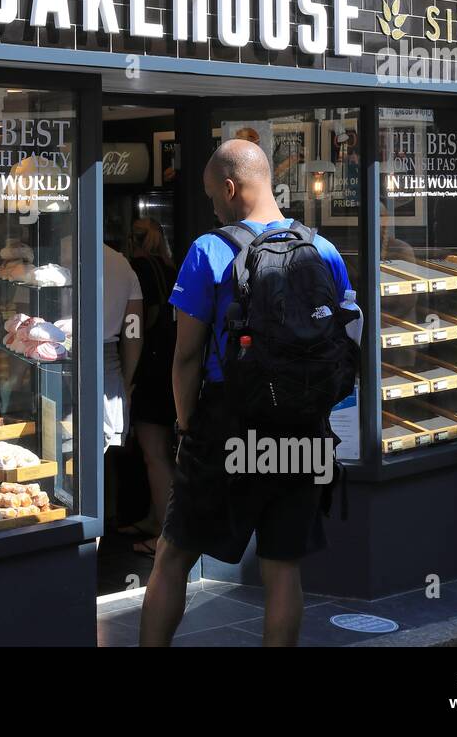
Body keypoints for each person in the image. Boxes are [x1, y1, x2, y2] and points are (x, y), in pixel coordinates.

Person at [140, 139, 353, 647]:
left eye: (213, 194)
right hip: (303, 428)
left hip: (226, 423)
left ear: (231, 188)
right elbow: (346, 339)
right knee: (283, 569)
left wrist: (188, 425)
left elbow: (186, 356)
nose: (212, 205)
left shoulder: (208, 250)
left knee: (173, 556)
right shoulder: (322, 249)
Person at [118, 218, 178, 556]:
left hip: (150, 368)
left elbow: (138, 322)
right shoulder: (169, 268)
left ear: (134, 240)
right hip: (169, 367)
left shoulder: (139, 268)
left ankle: (164, 532)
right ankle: (155, 517)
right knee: (159, 450)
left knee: (154, 452)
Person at [102, 242, 143, 452]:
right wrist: (125, 382)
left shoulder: (48, 257)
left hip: (53, 362)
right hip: (108, 370)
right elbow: (133, 332)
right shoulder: (121, 264)